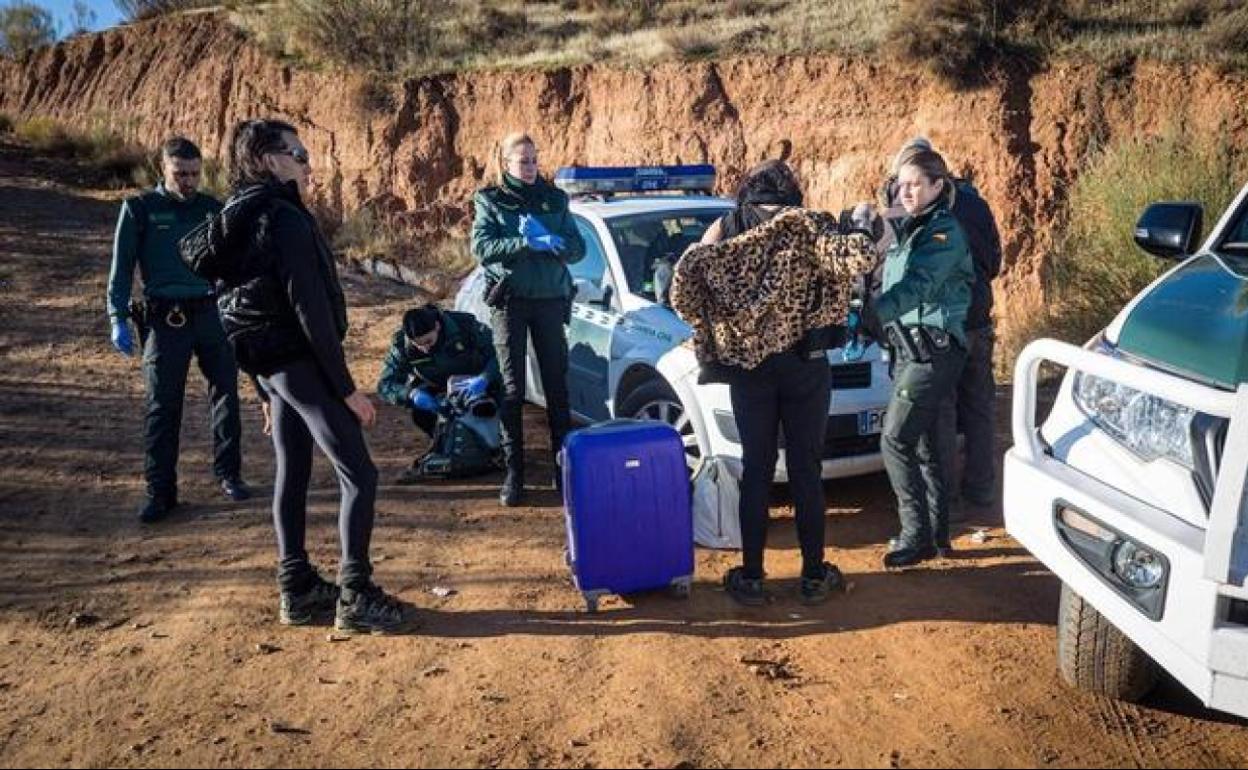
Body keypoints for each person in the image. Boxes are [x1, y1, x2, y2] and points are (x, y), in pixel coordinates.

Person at [211, 119, 405, 633]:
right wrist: (346, 391)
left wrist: (260, 387)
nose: (309, 164)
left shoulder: (241, 218)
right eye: (299, 154)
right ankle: (355, 595)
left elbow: (236, 309)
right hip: (298, 364)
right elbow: (309, 312)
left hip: (271, 368)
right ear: (269, 160)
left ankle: (296, 588)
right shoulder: (285, 221)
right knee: (360, 475)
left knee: (292, 470)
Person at [683, 160, 873, 606]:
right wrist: (863, 228)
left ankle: (751, 575)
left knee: (757, 470)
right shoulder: (812, 225)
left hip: (750, 370)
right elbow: (859, 259)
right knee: (807, 471)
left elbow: (689, 278)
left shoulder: (727, 225)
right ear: (792, 191)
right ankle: (813, 575)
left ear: (749, 190)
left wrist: (711, 332)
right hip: (805, 365)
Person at [106, 136, 250, 524]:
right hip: (164, 320)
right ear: (163, 170)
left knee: (226, 396)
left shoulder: (212, 209)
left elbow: (232, 263)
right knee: (162, 407)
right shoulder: (139, 209)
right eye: (180, 174)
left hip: (210, 313)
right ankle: (160, 492)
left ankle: (229, 475)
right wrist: (117, 317)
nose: (188, 181)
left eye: (194, 174)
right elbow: (121, 270)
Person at [879, 137, 1003, 510]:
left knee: (941, 415)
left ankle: (944, 502)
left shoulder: (914, 213)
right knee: (980, 406)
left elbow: (897, 270)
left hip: (938, 327)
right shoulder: (976, 204)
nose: (905, 190)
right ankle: (982, 490)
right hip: (978, 318)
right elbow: (994, 260)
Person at [470, 131, 585, 506]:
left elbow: (578, 247)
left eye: (535, 160)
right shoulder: (491, 200)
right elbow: (482, 247)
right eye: (523, 161)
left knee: (557, 388)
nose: (531, 167)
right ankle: (514, 473)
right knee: (512, 389)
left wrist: (555, 241)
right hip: (511, 303)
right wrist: (522, 243)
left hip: (550, 301)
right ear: (506, 163)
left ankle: (561, 470)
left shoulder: (554, 199)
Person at [873, 147, 975, 569]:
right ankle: (937, 534)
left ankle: (914, 535)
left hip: (930, 351)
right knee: (928, 444)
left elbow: (918, 285)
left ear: (938, 186)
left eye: (916, 183)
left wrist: (871, 316)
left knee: (894, 438)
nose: (907, 190)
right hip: (909, 347)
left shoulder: (941, 233)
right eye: (902, 182)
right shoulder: (913, 229)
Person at [376, 303, 501, 482]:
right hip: (439, 389)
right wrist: (411, 394)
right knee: (421, 413)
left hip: (478, 385)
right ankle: (446, 444)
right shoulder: (401, 345)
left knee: (498, 407)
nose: (425, 348)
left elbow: (501, 355)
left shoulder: (465, 326)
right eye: (418, 345)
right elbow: (385, 384)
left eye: (428, 341)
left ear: (437, 326)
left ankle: (498, 448)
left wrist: (486, 378)